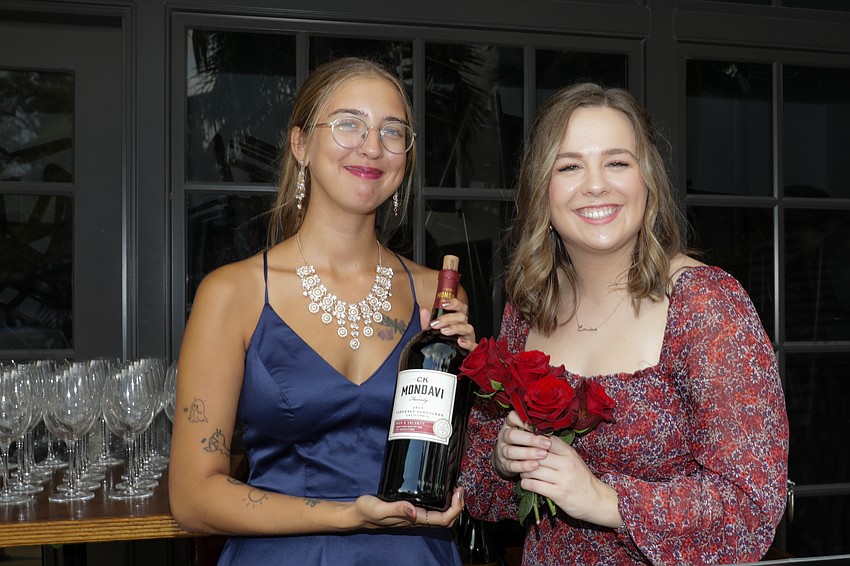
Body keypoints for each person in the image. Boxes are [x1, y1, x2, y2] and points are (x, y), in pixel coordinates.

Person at [458, 82, 788, 564]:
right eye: (570, 166)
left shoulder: (704, 304)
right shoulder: (529, 305)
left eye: (617, 162)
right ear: (541, 189)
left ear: (647, 180)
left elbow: (751, 508)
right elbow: (484, 496)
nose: (596, 184)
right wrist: (503, 460)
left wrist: (604, 500)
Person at [169, 57, 476, 565]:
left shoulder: (438, 297)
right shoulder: (232, 294)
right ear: (300, 144)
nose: (372, 146)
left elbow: (460, 467)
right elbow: (191, 498)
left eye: (392, 131)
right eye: (348, 124)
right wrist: (346, 515)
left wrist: (471, 389)